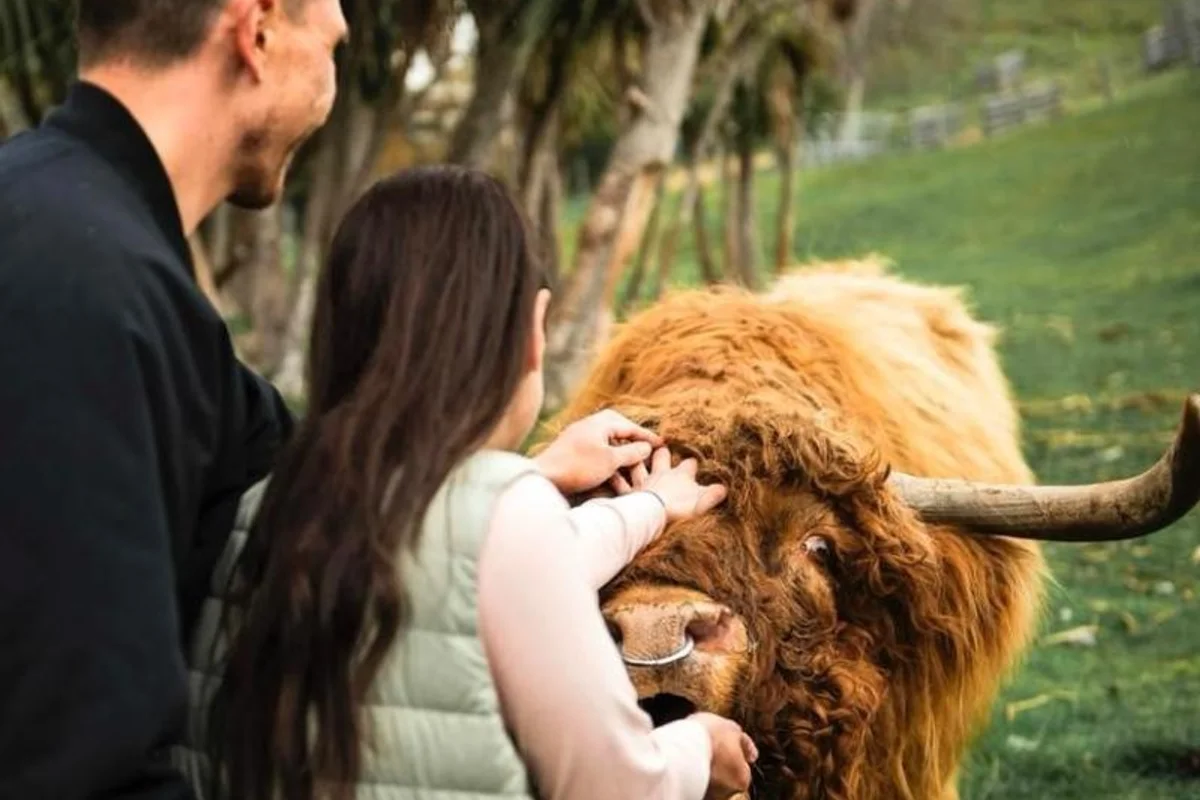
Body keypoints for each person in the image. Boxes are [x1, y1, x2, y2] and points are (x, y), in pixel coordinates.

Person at [0, 1, 661, 797]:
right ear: (258, 32)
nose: (332, 87)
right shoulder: (91, 292)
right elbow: (78, 749)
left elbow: (322, 488)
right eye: (332, 46)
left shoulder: (66, 231)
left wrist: (527, 480)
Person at [174, 165, 758, 800]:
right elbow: (615, 786)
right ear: (532, 330)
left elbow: (476, 560)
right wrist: (697, 748)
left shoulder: (262, 504)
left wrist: (647, 507)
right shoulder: (509, 519)